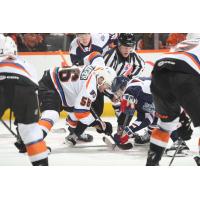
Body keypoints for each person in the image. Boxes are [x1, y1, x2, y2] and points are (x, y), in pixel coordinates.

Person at [38, 53, 116, 145]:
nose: (106, 89)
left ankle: (74, 132)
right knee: (51, 115)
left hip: (62, 87)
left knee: (76, 114)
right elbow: (81, 113)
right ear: (102, 79)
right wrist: (99, 124)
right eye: (106, 85)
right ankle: (34, 142)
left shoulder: (99, 67)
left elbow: (95, 55)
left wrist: (80, 63)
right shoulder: (90, 89)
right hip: (51, 85)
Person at [145, 34, 200, 166]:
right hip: (186, 75)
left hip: (158, 74)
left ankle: (152, 162)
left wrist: (181, 116)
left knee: (165, 126)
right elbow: (183, 83)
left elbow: (173, 83)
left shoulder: (184, 45)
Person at [0, 35, 49, 166]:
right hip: (25, 87)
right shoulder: (25, 63)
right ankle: (41, 165)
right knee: (31, 131)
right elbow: (34, 87)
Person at [103, 33, 145, 116]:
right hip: (102, 82)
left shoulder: (132, 53)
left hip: (117, 82)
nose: (127, 49)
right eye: (125, 46)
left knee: (127, 110)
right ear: (119, 45)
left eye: (130, 46)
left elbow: (141, 65)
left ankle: (121, 120)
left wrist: (129, 78)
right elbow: (102, 79)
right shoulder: (110, 56)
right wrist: (112, 95)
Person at [111, 76, 157, 145]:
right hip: (165, 98)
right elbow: (146, 118)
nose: (117, 96)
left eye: (117, 92)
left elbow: (133, 89)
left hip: (173, 95)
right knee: (155, 118)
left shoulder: (132, 87)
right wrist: (128, 131)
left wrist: (127, 96)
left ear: (123, 87)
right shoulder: (138, 97)